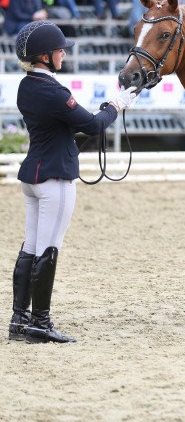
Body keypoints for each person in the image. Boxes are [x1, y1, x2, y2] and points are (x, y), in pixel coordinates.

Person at [8, 20, 138, 343]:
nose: (63, 54)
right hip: (55, 178)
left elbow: (64, 127)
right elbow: (93, 125)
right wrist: (116, 106)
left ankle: (19, 318)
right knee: (48, 249)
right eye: (59, 50)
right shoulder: (53, 90)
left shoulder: (27, 87)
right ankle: (40, 322)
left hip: (33, 176)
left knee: (30, 248)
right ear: (44, 56)